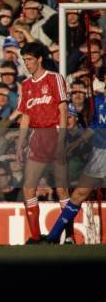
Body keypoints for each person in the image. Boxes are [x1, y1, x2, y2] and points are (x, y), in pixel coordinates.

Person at [15, 42, 70, 244]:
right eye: (24, 60)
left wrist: (62, 140)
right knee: (28, 188)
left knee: (62, 189)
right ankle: (36, 237)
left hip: (55, 133)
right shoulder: (26, 85)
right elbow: (26, 117)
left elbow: (63, 110)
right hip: (37, 138)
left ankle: (70, 236)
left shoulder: (54, 79)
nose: (26, 63)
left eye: (29, 59)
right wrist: (20, 144)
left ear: (39, 59)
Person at [47, 91, 106, 243]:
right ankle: (53, 236)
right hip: (100, 154)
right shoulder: (99, 101)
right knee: (78, 194)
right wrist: (76, 143)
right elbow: (94, 126)